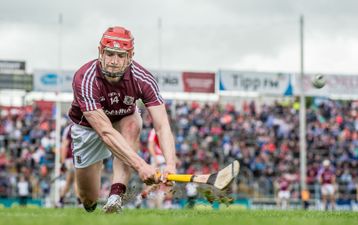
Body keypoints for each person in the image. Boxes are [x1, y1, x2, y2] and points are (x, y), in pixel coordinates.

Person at [68, 26, 176, 213]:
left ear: (130, 57)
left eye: (120, 56)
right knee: (88, 199)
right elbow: (104, 131)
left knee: (133, 122)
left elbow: (162, 126)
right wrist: (141, 165)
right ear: (100, 52)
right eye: (110, 54)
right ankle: (95, 174)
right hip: (89, 128)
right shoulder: (84, 78)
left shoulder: (143, 78)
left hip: (122, 117)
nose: (114, 61)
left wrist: (171, 165)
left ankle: (115, 198)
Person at [57, 123, 76, 207]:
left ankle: (60, 201)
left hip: (72, 160)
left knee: (69, 181)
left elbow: (64, 145)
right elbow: (65, 145)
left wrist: (63, 162)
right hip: (73, 160)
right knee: (76, 181)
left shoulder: (70, 128)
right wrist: (63, 162)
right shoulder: (70, 128)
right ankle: (80, 202)